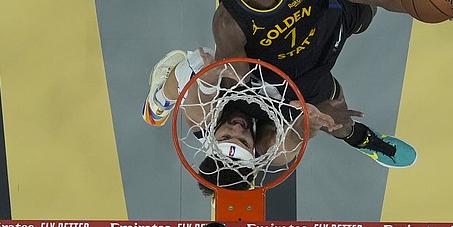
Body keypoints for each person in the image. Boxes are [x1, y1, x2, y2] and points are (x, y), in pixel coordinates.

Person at [208, 0, 453, 168]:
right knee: (335, 116)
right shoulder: (229, 22)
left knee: (368, 8)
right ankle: (363, 139)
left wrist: (435, 6)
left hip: (320, 24)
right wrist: (299, 111)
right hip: (284, 75)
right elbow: (242, 82)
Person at [142, 47, 339, 194]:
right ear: (253, 152)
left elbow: (201, 90)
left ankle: (158, 103)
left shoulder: (199, 119)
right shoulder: (273, 150)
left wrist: (210, 76)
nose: (237, 128)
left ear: (213, 141)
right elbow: (296, 136)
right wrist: (309, 124)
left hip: (226, 93)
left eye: (226, 136)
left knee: (198, 65)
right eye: (243, 141)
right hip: (267, 95)